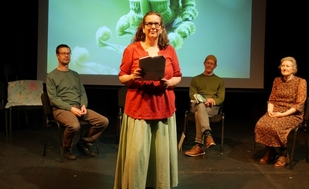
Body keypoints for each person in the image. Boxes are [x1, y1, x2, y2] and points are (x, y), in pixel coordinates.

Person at [114, 11, 182, 189]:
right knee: (138, 154)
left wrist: (169, 83)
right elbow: (122, 77)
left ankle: (159, 184)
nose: (153, 27)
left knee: (160, 154)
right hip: (139, 107)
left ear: (161, 28)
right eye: (149, 24)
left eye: (157, 24)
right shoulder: (132, 49)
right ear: (143, 27)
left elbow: (178, 76)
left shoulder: (169, 50)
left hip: (163, 105)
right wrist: (133, 76)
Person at [46, 44, 109, 160]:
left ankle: (83, 142)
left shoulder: (75, 75)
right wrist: (71, 109)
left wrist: (83, 105)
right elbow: (53, 99)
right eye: (63, 53)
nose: (66, 56)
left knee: (103, 121)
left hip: (78, 108)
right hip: (61, 109)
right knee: (74, 126)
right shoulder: (51, 76)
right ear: (57, 56)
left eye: (68, 53)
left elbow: (82, 93)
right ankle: (66, 147)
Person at [254, 56, 307, 168]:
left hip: (292, 114)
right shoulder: (277, 81)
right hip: (276, 110)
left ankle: (284, 154)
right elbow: (272, 99)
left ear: (293, 69)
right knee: (261, 124)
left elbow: (299, 104)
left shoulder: (301, 82)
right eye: (283, 65)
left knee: (276, 127)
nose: (284, 68)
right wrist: (270, 112)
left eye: (287, 66)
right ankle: (270, 150)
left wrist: (282, 114)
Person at [185, 55, 225, 157]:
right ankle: (208, 134)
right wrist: (203, 101)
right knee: (200, 106)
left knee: (200, 113)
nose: (209, 65)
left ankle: (199, 146)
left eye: (212, 64)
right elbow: (192, 95)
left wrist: (212, 101)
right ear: (204, 64)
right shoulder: (195, 79)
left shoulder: (219, 81)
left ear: (215, 66)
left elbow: (221, 98)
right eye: (208, 63)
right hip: (197, 105)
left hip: (212, 108)